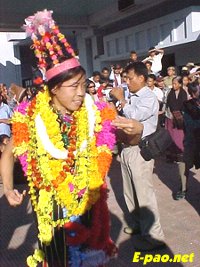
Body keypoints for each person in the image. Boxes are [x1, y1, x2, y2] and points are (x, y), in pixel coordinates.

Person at [1, 9, 117, 267]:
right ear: (54, 88)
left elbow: (124, 136)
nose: (81, 92)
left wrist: (137, 131)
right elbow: (8, 155)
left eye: (84, 85)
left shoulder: (95, 112)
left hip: (88, 205)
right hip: (51, 212)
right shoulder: (30, 117)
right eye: (74, 86)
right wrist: (8, 190)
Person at [110, 62, 165, 251]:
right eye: (125, 78)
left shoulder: (148, 97)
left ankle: (155, 237)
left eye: (130, 78)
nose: (127, 82)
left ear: (142, 78)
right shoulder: (132, 95)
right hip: (127, 148)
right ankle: (137, 225)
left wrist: (122, 101)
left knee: (144, 194)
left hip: (141, 149)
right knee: (129, 192)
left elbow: (136, 116)